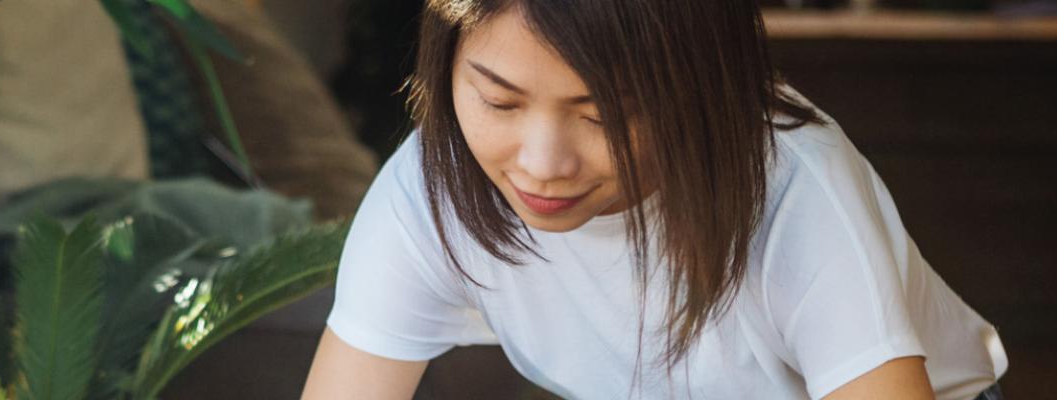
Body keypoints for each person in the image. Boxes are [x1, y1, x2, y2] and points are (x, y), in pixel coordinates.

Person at [300, 0, 1007, 398]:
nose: (542, 166)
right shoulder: (433, 184)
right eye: (499, 100)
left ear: (701, 85)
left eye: (603, 114)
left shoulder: (796, 187)